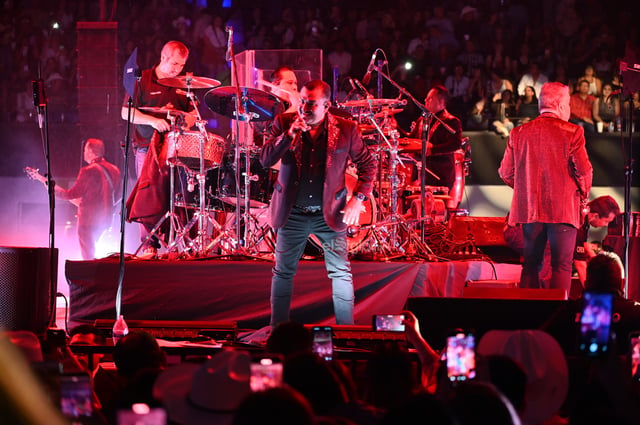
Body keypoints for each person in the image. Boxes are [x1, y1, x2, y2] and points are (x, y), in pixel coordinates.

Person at [260, 79, 377, 327]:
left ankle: (347, 332)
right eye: (302, 101)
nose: (304, 108)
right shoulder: (284, 123)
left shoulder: (346, 129)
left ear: (327, 105)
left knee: (340, 273)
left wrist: (359, 198)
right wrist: (288, 135)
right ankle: (278, 332)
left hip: (330, 212)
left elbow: (369, 164)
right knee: (282, 273)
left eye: (311, 104)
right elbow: (265, 159)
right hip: (291, 212)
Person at [499, 82, 593, 293]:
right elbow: (584, 172)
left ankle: (529, 317)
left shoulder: (518, 133)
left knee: (531, 264)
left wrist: (526, 186)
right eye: (568, 103)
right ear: (560, 105)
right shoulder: (573, 132)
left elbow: (505, 172)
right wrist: (583, 195)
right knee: (561, 265)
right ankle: (557, 318)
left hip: (530, 211)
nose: (569, 108)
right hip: (563, 211)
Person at [122, 40, 197, 258]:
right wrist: (153, 121)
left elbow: (193, 115)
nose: (177, 69)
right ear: (163, 57)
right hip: (148, 148)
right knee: (149, 195)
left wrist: (185, 119)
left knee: (182, 195)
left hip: (178, 149)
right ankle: (149, 246)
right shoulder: (142, 79)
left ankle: (186, 245)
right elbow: (126, 113)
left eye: (181, 65)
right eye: (174, 64)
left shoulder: (184, 82)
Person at [30, 138, 121, 260]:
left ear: (89, 151)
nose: (83, 153)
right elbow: (118, 196)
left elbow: (70, 194)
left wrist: (45, 182)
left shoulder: (88, 171)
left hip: (88, 222)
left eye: (84, 150)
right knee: (103, 259)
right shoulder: (115, 170)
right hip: (108, 221)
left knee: (88, 258)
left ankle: (89, 278)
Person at [405, 85, 464, 197]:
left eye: (430, 98)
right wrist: (395, 126)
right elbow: (410, 141)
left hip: (440, 174)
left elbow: (456, 143)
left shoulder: (451, 121)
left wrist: (433, 150)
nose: (425, 100)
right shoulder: (422, 120)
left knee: (437, 209)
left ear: (441, 102)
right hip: (420, 174)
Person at [573, 195, 620, 285]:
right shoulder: (580, 224)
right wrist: (592, 292)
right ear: (595, 216)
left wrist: (596, 258)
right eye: (606, 221)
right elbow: (580, 264)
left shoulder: (583, 219)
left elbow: (583, 244)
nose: (606, 225)